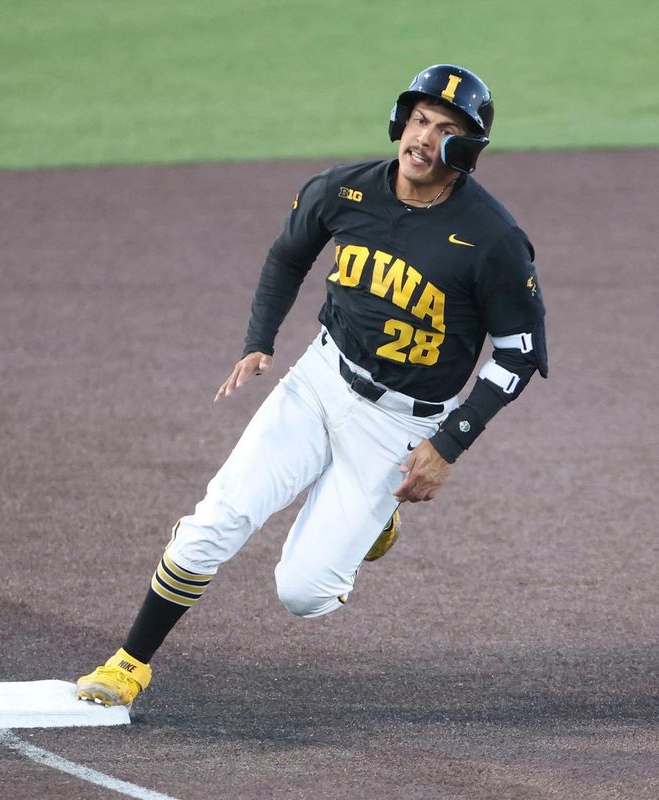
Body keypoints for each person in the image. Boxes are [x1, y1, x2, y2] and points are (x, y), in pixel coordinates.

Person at [76, 64, 548, 706]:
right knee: (217, 520)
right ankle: (128, 664)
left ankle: (376, 523)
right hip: (319, 380)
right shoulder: (344, 191)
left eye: (441, 130)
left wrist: (449, 444)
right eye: (416, 120)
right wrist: (260, 341)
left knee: (303, 593)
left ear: (465, 150)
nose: (420, 138)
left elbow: (519, 355)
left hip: (401, 425)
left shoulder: (493, 239)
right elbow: (287, 255)